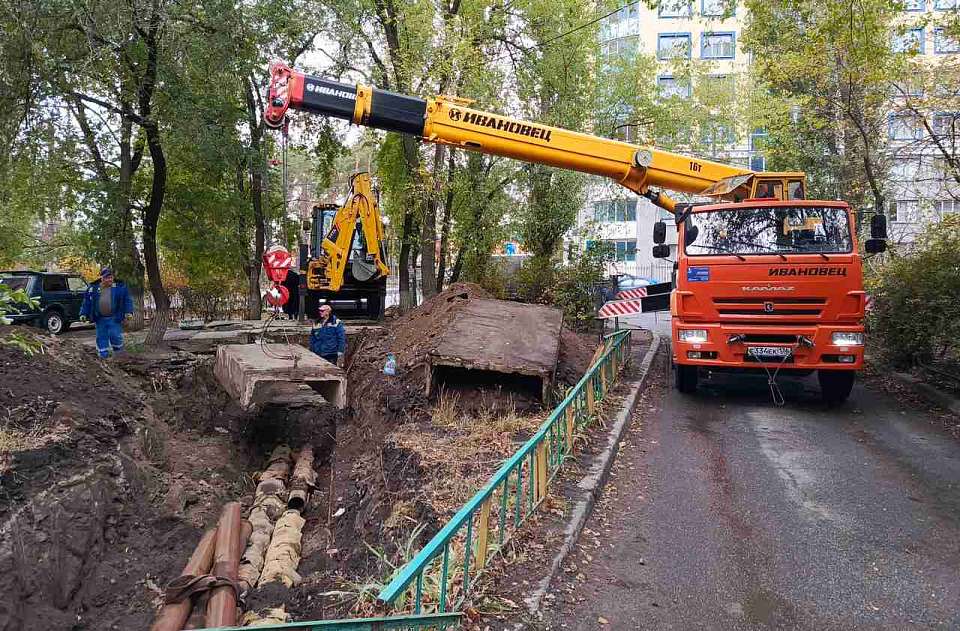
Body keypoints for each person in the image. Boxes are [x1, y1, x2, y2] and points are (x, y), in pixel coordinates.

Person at [80, 267, 134, 358]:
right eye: (107, 277)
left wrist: (128, 312)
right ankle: (103, 356)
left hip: (114, 318)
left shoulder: (119, 287)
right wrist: (83, 313)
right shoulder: (93, 288)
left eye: (111, 277)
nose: (109, 279)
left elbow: (127, 300)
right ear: (102, 278)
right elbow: (87, 302)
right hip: (100, 319)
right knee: (101, 337)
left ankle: (119, 355)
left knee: (115, 335)